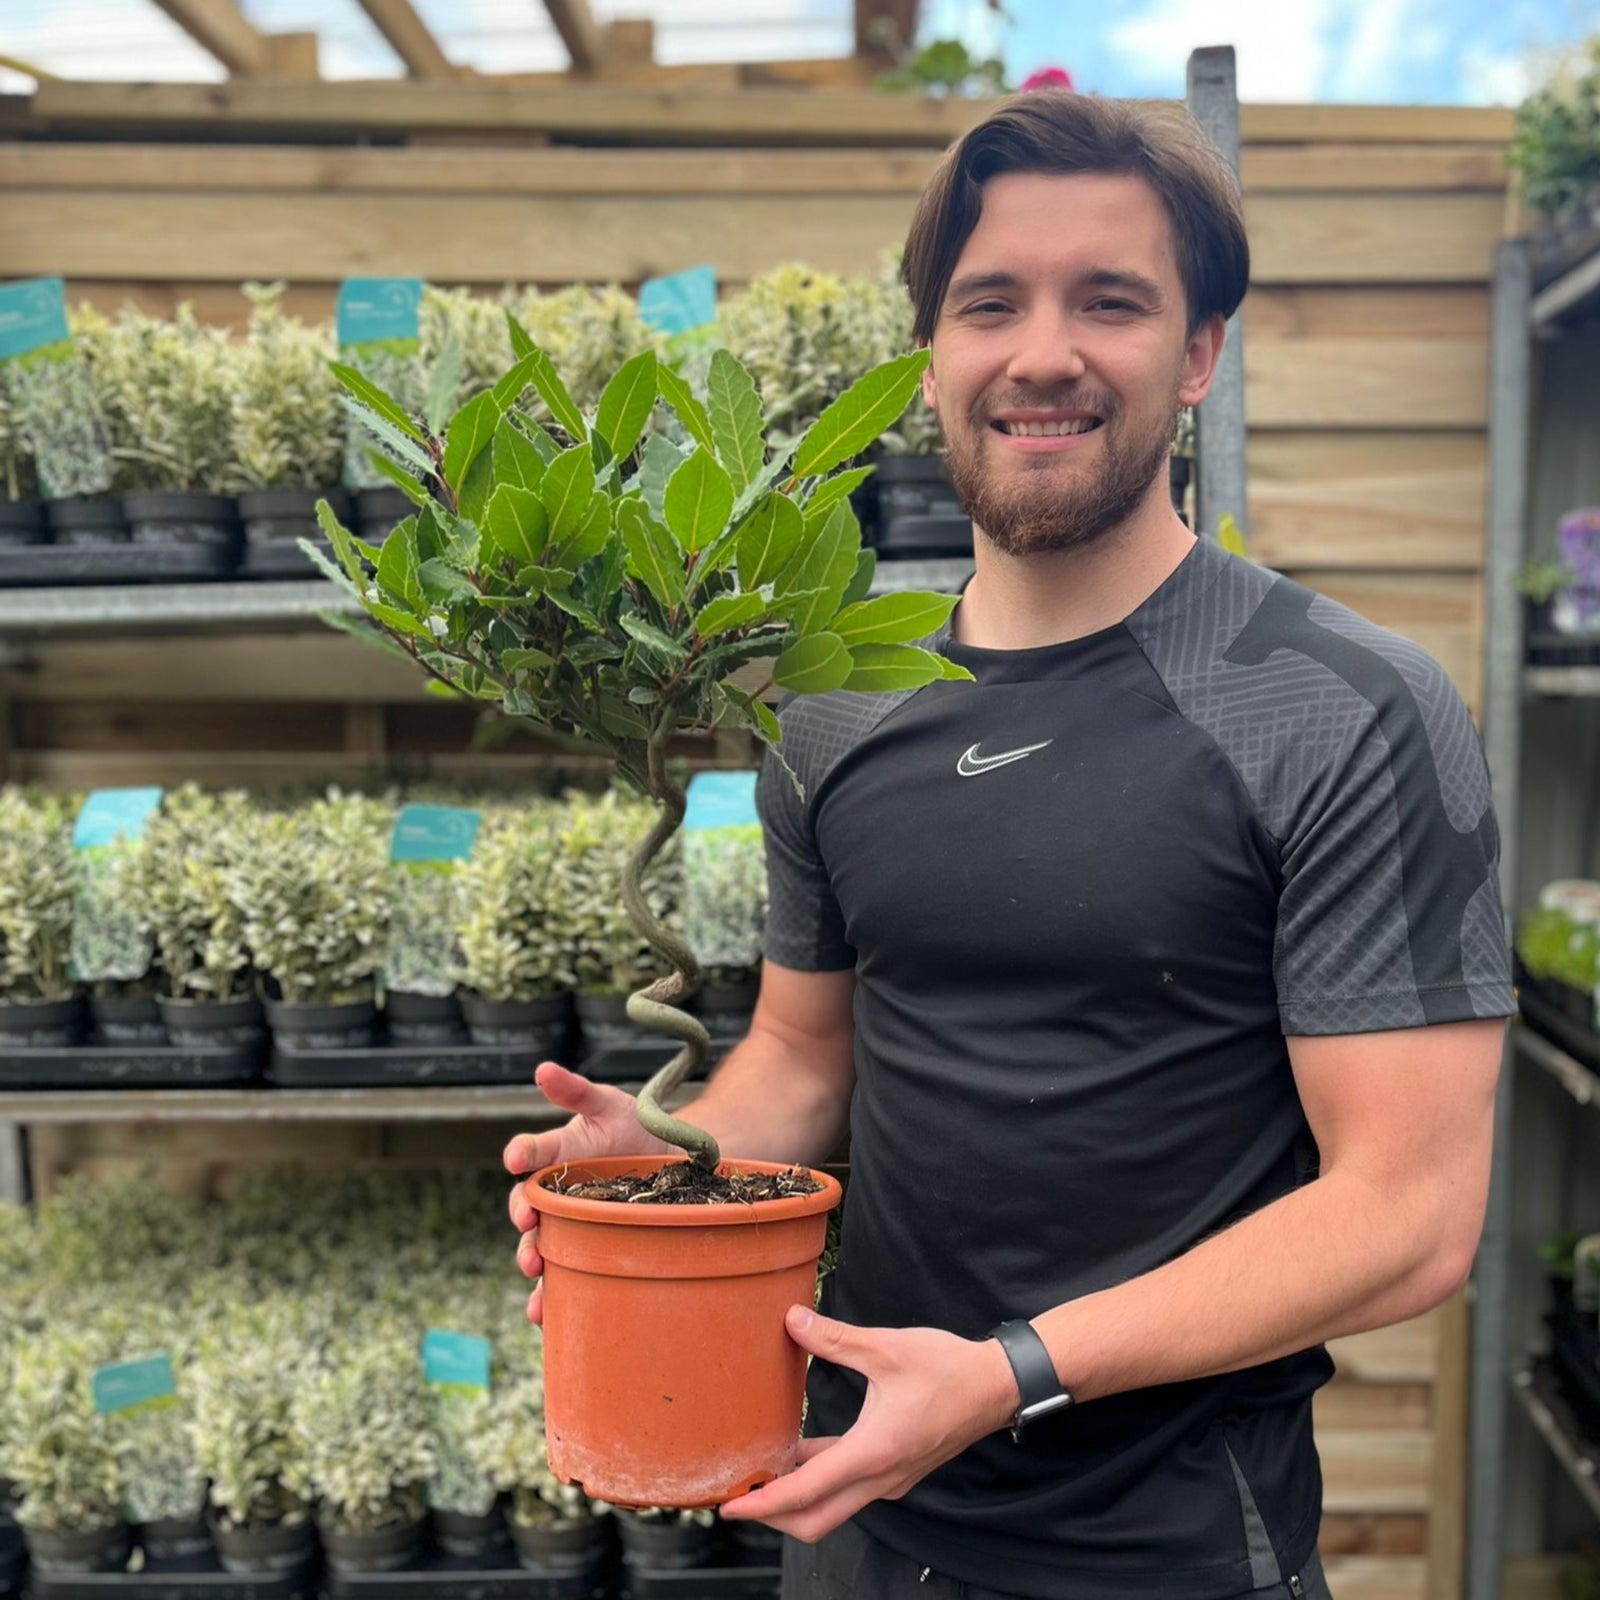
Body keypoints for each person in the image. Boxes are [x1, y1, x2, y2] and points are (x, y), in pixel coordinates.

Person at [504, 90, 1514, 1600]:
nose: (1043, 352)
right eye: (991, 304)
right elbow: (807, 1054)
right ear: (932, 357)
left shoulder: (1342, 709)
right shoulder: (836, 698)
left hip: (1169, 1545)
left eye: (1109, 301)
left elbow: (1411, 1217)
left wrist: (1007, 1372)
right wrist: (677, 1157)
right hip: (855, 1517)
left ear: (1197, 357)